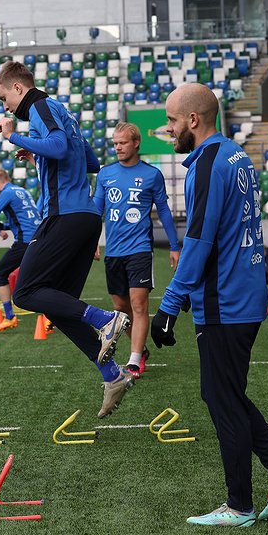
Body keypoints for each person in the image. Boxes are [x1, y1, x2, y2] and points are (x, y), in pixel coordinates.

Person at [150, 83, 268, 527]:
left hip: (225, 301)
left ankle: (240, 505)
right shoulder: (236, 155)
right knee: (223, 394)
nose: (170, 129)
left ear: (193, 120)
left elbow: (199, 240)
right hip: (244, 295)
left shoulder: (208, 164)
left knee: (222, 399)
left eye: (173, 121)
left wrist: (170, 304)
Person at [0, 61, 131, 418]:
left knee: (23, 291)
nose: (5, 106)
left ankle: (104, 318)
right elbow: (90, 160)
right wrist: (36, 150)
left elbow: (57, 147)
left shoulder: (38, 106)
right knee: (58, 304)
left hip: (64, 216)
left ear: (18, 89)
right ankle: (112, 375)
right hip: (84, 217)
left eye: (4, 97)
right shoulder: (60, 110)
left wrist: (15, 137)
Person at [93, 122, 180, 377]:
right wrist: (93, 242)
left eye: (123, 142)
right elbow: (96, 212)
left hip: (140, 249)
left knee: (139, 304)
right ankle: (141, 350)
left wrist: (174, 246)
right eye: (115, 143)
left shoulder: (152, 175)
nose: (118, 147)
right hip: (114, 252)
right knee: (121, 308)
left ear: (136, 143)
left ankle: (133, 360)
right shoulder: (105, 174)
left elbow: (163, 210)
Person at [0, 168, 42, 331]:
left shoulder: (6, 192)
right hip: (39, 237)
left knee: (1, 274)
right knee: (37, 279)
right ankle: (50, 316)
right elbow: (24, 218)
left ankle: (10, 316)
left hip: (26, 241)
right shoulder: (22, 191)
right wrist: (3, 226)